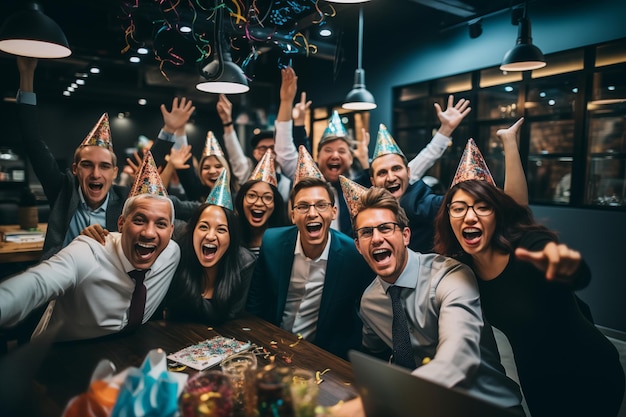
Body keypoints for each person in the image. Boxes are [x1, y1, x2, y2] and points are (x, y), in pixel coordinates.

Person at [432, 142, 625, 417]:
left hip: (590, 370)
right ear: (448, 216)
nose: (470, 216)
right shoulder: (461, 268)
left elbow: (562, 261)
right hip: (537, 381)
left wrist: (567, 267)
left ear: (497, 215)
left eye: (482, 207)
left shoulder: (526, 245)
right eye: (459, 208)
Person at [337, 186, 524, 415]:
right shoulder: (371, 303)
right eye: (366, 232)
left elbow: (458, 357)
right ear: (358, 246)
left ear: (405, 235)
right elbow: (374, 354)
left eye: (385, 228)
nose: (376, 238)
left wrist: (377, 399)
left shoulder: (450, 276)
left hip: (486, 407)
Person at [15, 56, 193, 260]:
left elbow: (149, 169)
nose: (96, 174)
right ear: (75, 169)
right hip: (62, 282)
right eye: (87, 165)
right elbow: (32, 142)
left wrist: (170, 130)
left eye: (104, 166)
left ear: (114, 172)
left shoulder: (124, 199)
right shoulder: (62, 191)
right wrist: (26, 75)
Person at [0, 152, 180, 341]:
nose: (149, 233)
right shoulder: (88, 251)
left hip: (124, 349)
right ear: (121, 224)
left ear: (171, 230)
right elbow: (36, 284)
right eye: (139, 220)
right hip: (59, 351)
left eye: (160, 224)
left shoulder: (171, 253)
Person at [246, 177, 375, 360]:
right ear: (292, 215)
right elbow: (255, 306)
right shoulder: (271, 243)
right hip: (271, 346)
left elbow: (361, 319)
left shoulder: (353, 256)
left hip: (322, 356)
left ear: (333, 212)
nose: (312, 213)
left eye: (321, 205)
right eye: (303, 206)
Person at [369, 118, 528, 253]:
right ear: (372, 181)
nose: (391, 177)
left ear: (409, 172)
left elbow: (513, 208)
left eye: (396, 169)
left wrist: (509, 143)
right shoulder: (369, 210)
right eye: (382, 172)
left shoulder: (426, 204)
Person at [161, 169, 256, 325]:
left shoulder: (244, 263)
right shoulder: (177, 251)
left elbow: (233, 316)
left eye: (221, 229)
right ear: (192, 231)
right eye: (204, 227)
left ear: (231, 237)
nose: (210, 236)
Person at [216, 89, 311, 203]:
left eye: (272, 148)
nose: (268, 152)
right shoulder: (247, 174)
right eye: (263, 148)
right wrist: (227, 122)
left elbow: (303, 163)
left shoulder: (289, 179)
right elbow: (235, 155)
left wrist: (298, 121)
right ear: (255, 153)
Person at [233, 150, 289, 255]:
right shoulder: (231, 236)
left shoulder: (286, 240)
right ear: (242, 200)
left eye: (267, 197)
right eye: (252, 196)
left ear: (275, 204)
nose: (258, 203)